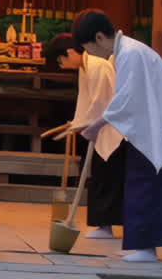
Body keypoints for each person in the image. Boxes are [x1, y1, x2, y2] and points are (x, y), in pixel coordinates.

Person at [73, 10, 162, 263]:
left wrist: (98, 124)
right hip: (150, 124)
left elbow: (126, 98)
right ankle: (139, 243)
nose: (91, 55)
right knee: (140, 182)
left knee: (149, 184)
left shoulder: (130, 53)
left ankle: (146, 247)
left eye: (89, 48)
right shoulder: (126, 51)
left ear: (99, 37)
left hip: (159, 126)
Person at [45, 32, 125, 239]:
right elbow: (86, 100)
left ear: (70, 52)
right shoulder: (86, 67)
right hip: (99, 126)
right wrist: (78, 122)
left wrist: (87, 122)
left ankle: (106, 226)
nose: (61, 64)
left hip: (110, 128)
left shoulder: (98, 65)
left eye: (60, 59)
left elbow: (102, 101)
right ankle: (103, 225)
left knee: (107, 177)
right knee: (99, 176)